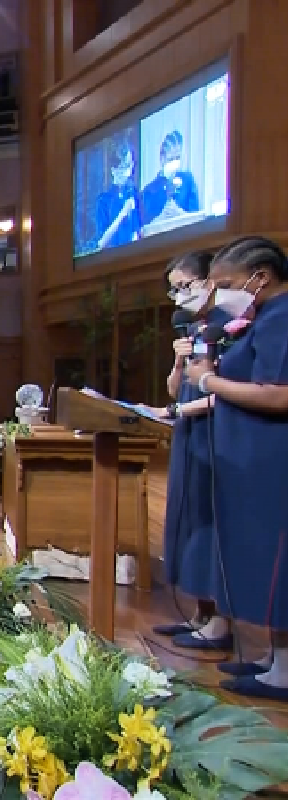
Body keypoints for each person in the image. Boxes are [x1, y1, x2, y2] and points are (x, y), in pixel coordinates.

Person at [184, 236, 288, 699]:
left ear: (260, 277)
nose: (221, 293)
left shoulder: (282, 318)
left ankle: (284, 668)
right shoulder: (264, 318)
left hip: (272, 460)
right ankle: (274, 658)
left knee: (278, 563)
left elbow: (279, 393)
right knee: (265, 562)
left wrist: (208, 381)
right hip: (251, 461)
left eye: (226, 284)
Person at [142, 252, 227, 645]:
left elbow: (221, 393)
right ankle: (200, 613)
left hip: (217, 436)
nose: (178, 297)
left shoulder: (227, 329)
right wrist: (178, 364)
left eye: (185, 286)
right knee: (189, 521)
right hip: (188, 436)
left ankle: (221, 622)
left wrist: (174, 409)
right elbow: (175, 389)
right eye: (173, 289)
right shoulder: (194, 329)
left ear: (210, 281)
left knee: (213, 525)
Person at [140, 130, 200, 228]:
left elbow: (197, 219)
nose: (175, 163)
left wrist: (179, 214)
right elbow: (144, 230)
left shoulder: (188, 181)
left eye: (178, 158)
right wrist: (161, 218)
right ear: (162, 159)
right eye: (171, 159)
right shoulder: (148, 191)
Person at [94, 139, 140, 250]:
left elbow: (136, 230)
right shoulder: (103, 201)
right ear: (113, 170)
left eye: (130, 165)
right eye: (125, 166)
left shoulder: (132, 193)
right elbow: (101, 243)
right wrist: (122, 214)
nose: (129, 171)